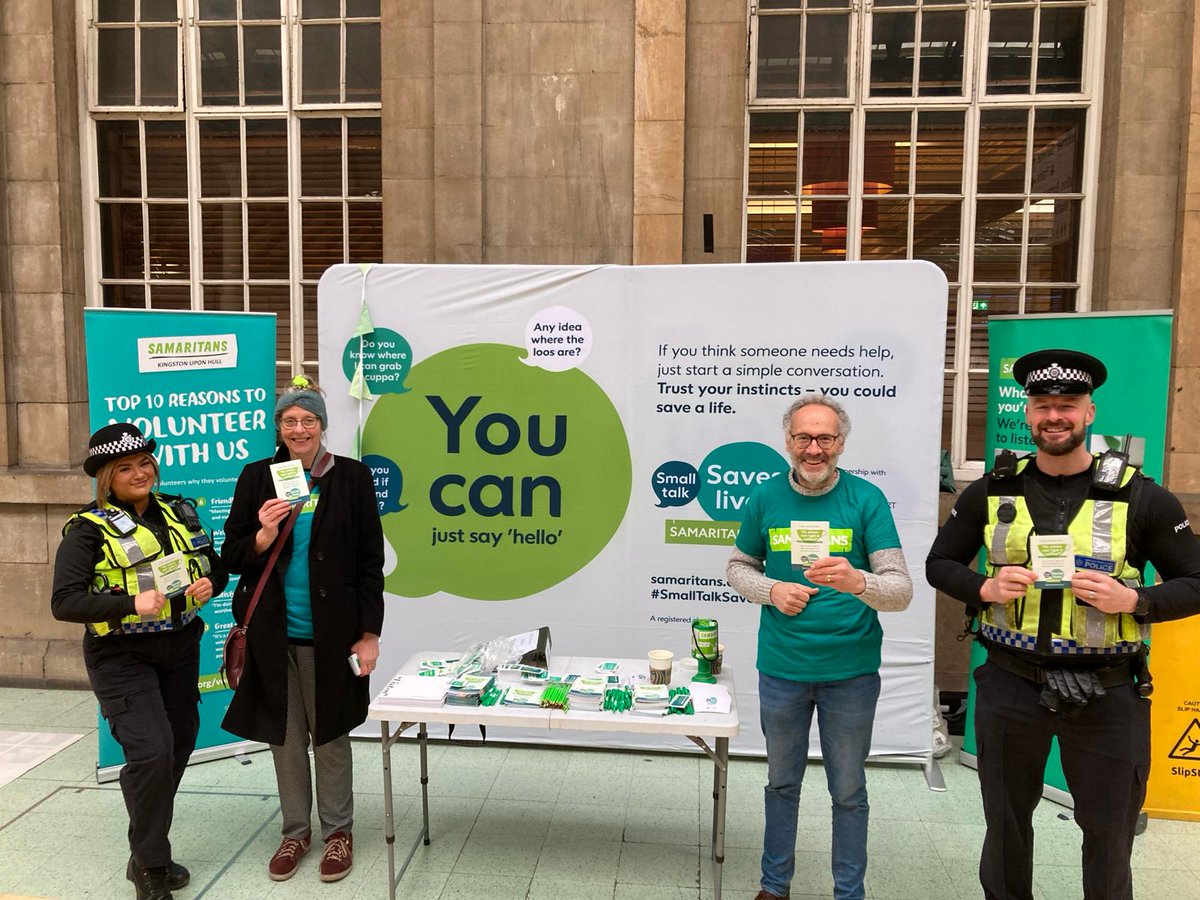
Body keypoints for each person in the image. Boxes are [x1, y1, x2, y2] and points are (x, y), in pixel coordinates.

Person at [925, 348, 1200, 900]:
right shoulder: (991, 490)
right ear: (1027, 414)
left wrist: (1135, 600)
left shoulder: (1142, 496)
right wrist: (984, 587)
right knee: (1005, 826)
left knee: (1108, 831)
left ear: (1090, 412)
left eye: (1067, 405)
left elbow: (1194, 581)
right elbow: (939, 564)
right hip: (1009, 680)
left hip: (1110, 690)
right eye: (1043, 405)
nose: (1055, 416)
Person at [726, 395, 913, 900]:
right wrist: (771, 590)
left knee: (848, 791)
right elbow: (738, 567)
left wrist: (858, 582)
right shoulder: (765, 498)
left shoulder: (866, 499)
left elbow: (900, 590)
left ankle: (849, 892)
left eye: (825, 438)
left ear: (841, 444)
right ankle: (774, 886)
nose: (814, 448)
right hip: (782, 669)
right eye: (804, 438)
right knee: (781, 784)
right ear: (787, 442)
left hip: (850, 672)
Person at [52, 424, 227, 900]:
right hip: (120, 655)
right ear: (106, 476)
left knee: (178, 745)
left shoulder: (179, 510)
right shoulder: (86, 530)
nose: (139, 473)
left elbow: (214, 562)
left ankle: (146, 850)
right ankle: (149, 865)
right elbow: (64, 602)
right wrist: (131, 603)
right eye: (125, 468)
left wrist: (212, 583)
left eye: (144, 463)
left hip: (179, 647)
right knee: (150, 753)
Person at [220, 376, 384, 884]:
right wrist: (265, 534)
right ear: (278, 427)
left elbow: (368, 563)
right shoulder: (256, 478)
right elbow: (231, 556)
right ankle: (296, 831)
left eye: (308, 420)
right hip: (272, 636)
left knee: (330, 736)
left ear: (322, 426)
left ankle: (338, 832)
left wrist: (369, 633)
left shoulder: (351, 478)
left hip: (331, 635)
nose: (298, 429)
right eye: (289, 420)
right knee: (285, 737)